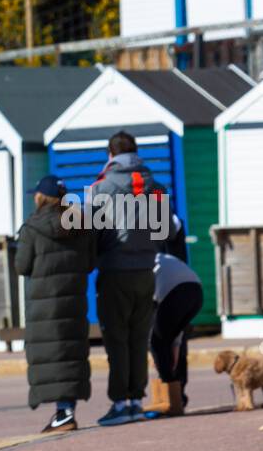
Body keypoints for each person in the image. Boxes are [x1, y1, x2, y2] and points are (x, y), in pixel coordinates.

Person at [90, 130, 167, 426]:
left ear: (110, 155)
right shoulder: (155, 186)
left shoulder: (101, 188)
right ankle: (136, 399)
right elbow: (166, 232)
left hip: (114, 272)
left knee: (116, 338)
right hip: (147, 271)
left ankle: (120, 403)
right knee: (139, 337)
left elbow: (91, 233)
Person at [14, 174, 96, 432]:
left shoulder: (32, 227)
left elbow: (22, 265)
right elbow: (90, 262)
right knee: (71, 354)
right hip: (73, 301)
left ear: (40, 197)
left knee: (50, 354)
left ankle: (62, 414)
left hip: (43, 305)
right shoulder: (81, 225)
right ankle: (66, 409)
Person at [148, 246, 203, 417]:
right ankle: (178, 397)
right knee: (166, 342)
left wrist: (157, 357)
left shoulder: (142, 264)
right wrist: (175, 347)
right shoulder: (162, 257)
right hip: (196, 292)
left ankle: (169, 399)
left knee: (156, 343)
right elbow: (176, 333)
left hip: (176, 293)